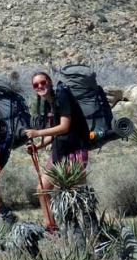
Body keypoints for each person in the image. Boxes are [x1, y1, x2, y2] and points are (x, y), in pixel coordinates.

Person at [24, 72, 91, 231]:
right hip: (59, 151)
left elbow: (64, 127)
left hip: (74, 151)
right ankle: (51, 227)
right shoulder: (49, 103)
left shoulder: (63, 97)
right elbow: (55, 133)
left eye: (43, 82)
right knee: (42, 189)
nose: (40, 86)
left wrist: (37, 133)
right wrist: (38, 146)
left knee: (76, 194)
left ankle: (87, 228)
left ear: (50, 82)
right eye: (36, 85)